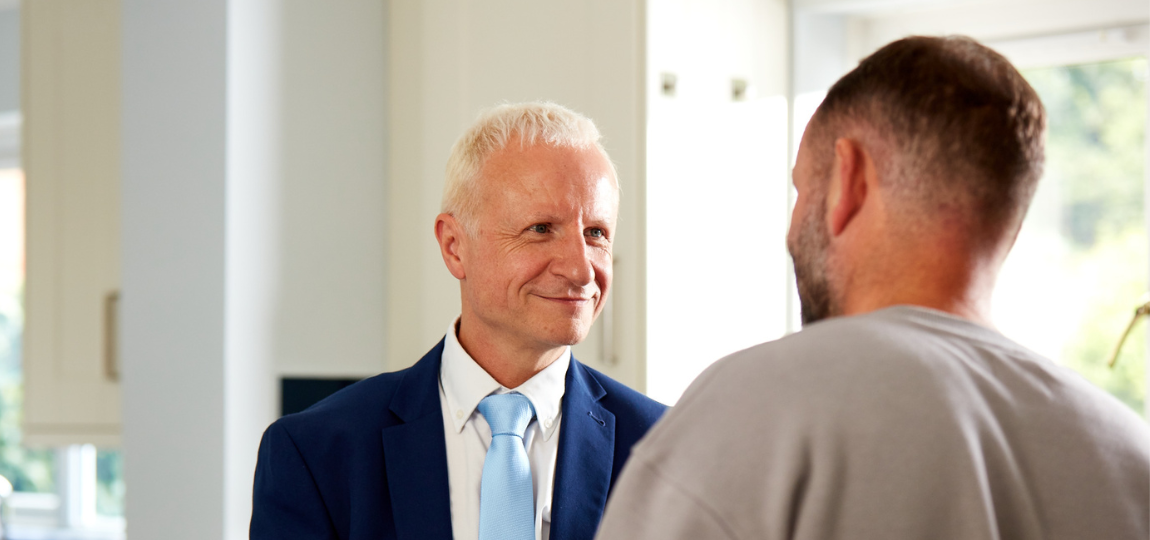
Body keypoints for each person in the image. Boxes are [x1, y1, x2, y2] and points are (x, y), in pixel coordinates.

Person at [596, 36, 1150, 540]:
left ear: (849, 180)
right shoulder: (1126, 451)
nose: (791, 228)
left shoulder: (758, 404)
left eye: (800, 189)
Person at [250, 102, 666, 540]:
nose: (582, 271)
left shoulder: (666, 450)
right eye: (541, 229)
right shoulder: (316, 454)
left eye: (596, 233)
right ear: (454, 246)